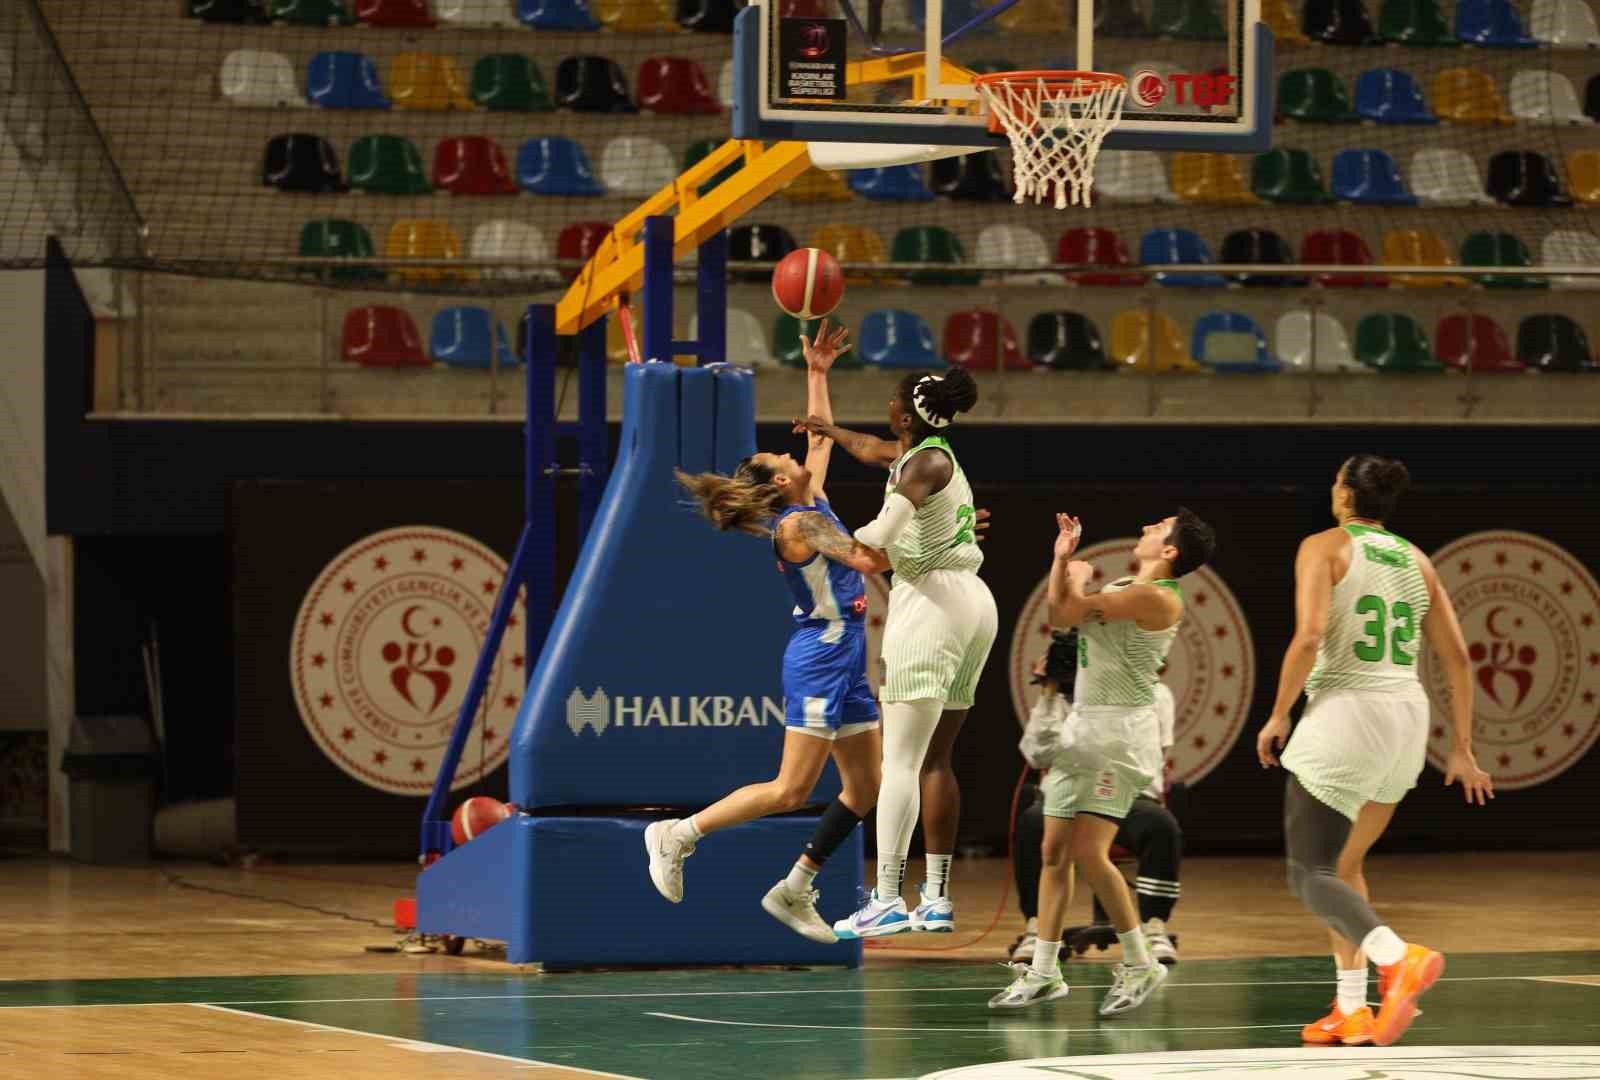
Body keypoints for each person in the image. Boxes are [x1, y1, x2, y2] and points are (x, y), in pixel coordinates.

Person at [644, 322, 887, 944]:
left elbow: (821, 440)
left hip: (845, 653)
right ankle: (679, 833)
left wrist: (818, 371)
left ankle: (795, 887)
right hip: (819, 655)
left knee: (867, 786)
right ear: (781, 481)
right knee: (790, 789)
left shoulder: (812, 500)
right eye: (783, 457)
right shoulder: (800, 525)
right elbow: (867, 559)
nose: (794, 452)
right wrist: (936, 527)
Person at [1257, 454, 1493, 1047]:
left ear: (1344, 495)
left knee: (1307, 871)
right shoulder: (1418, 561)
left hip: (1348, 710)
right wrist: (1462, 747)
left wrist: (1281, 711)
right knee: (1345, 866)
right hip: (1407, 719)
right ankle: (1351, 1008)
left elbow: (1310, 636)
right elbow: (1459, 659)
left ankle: (1397, 957)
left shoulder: (1323, 546)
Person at [797, 370, 997, 939]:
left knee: (901, 764)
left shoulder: (923, 466)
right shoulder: (925, 452)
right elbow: (871, 450)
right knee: (935, 758)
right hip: (972, 603)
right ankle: (934, 897)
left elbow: (881, 532)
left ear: (906, 416)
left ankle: (886, 896)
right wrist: (828, 430)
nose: (885, 408)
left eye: (891, 401)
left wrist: (827, 531)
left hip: (933, 602)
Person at [991, 509, 1214, 1016]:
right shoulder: (1125, 583)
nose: (1146, 528)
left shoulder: (1155, 596)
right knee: (1052, 851)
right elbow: (1063, 610)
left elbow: (1065, 612)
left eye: (1158, 529)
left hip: (1120, 737)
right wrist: (1062, 562)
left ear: (1172, 551)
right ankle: (1044, 971)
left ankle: (1140, 961)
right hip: (1084, 729)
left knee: (1090, 853)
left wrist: (1070, 570)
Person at [1011, 639, 1182, 967]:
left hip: (1126, 792)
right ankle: (1038, 929)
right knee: (1034, 822)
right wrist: (1049, 693)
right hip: (1066, 795)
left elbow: (1149, 758)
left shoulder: (1149, 694)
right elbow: (1037, 754)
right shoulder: (1059, 695)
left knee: (1160, 825)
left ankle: (1154, 926)